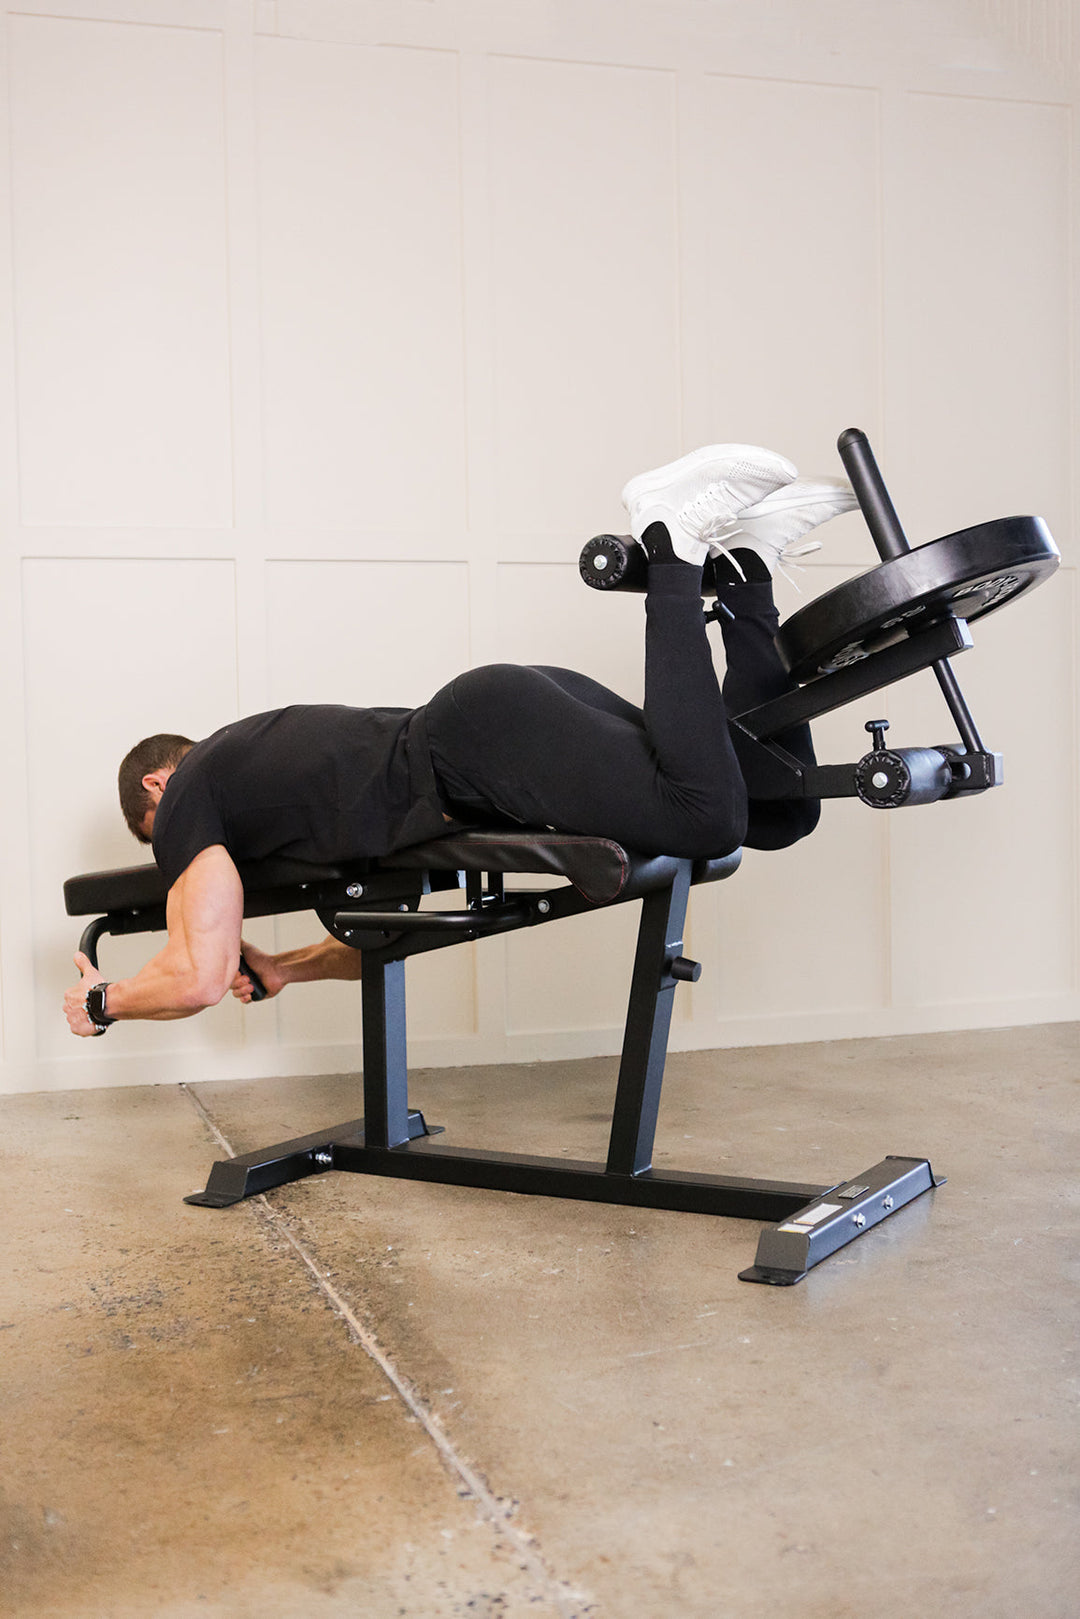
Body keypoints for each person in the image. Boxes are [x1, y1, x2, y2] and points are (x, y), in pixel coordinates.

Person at [63, 445, 855, 1037]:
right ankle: (749, 573)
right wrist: (282, 967)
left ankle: (671, 538)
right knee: (775, 809)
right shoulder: (276, 786)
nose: (173, 853)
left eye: (156, 834)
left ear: (158, 789)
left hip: (481, 743)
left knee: (709, 818)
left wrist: (106, 999)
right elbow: (383, 932)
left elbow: (199, 977)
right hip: (498, 723)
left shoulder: (194, 790)